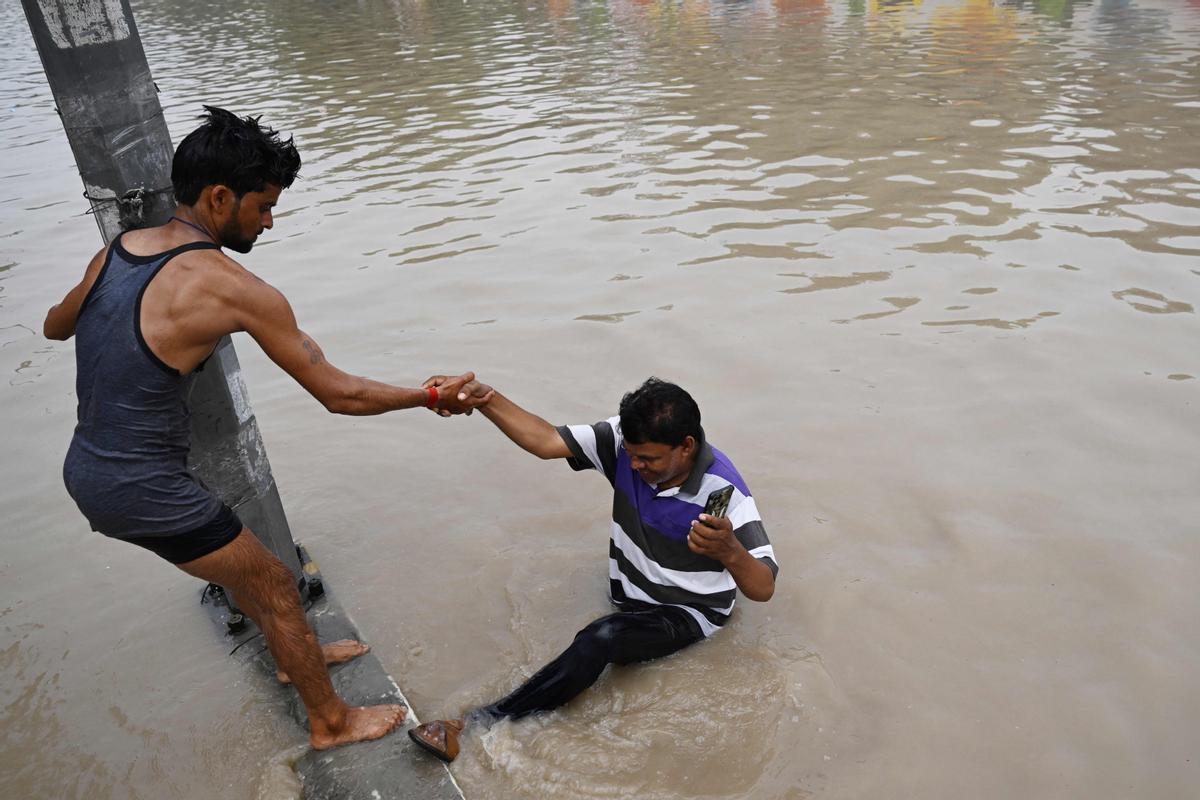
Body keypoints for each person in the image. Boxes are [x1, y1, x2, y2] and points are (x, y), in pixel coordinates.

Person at [44, 106, 492, 750]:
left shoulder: (116, 250)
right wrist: (428, 395)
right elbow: (338, 394)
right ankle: (332, 723)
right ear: (220, 197)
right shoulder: (234, 288)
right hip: (139, 485)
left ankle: (294, 655)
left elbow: (56, 327)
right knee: (278, 583)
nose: (269, 220)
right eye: (263, 206)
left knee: (245, 564)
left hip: (90, 466)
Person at [407, 377, 777, 762]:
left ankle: (478, 723)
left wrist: (730, 550)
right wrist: (488, 400)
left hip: (689, 612)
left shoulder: (724, 492)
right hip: (628, 593)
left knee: (600, 638)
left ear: (686, 446)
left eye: (648, 459)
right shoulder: (626, 442)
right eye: (631, 455)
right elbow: (547, 441)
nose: (634, 466)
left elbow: (763, 587)